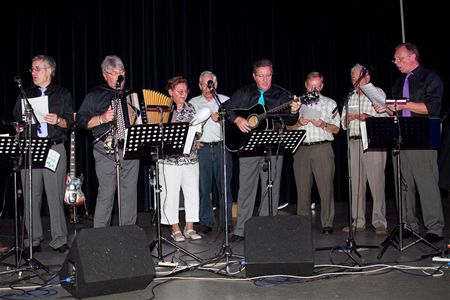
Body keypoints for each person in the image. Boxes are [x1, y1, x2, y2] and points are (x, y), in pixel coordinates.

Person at [225, 59, 300, 241]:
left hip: (272, 147)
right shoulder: (243, 93)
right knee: (246, 189)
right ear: (254, 76)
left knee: (271, 187)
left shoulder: (281, 95)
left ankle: (267, 226)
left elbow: (290, 121)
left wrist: (295, 111)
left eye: (268, 75)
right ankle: (241, 229)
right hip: (247, 147)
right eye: (261, 76)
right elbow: (225, 109)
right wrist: (238, 120)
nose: (265, 80)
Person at [13, 54, 73, 253]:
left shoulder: (62, 93)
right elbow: (16, 120)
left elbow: (70, 123)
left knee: (55, 194)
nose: (33, 72)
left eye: (37, 68)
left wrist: (58, 120)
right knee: (31, 193)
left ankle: (59, 239)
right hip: (30, 147)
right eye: (32, 69)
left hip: (53, 147)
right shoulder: (25, 94)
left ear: (49, 71)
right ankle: (33, 239)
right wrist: (19, 127)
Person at [387, 42, 445, 242]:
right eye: (395, 59)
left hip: (424, 134)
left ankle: (435, 228)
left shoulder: (429, 77)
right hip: (402, 135)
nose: (396, 62)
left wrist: (405, 104)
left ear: (412, 57)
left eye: (399, 58)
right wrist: (385, 108)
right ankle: (408, 225)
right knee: (403, 183)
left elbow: (432, 108)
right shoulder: (398, 82)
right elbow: (397, 109)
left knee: (426, 182)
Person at [77, 55, 140, 228]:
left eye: (122, 72)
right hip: (105, 150)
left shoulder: (131, 95)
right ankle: (100, 235)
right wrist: (102, 118)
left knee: (129, 194)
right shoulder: (96, 94)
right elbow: (81, 121)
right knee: (106, 193)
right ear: (105, 75)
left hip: (130, 148)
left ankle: (129, 232)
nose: (120, 76)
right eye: (114, 72)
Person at [286, 72, 340, 234]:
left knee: (326, 188)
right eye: (310, 86)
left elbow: (337, 129)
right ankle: (303, 223)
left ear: (321, 86)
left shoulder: (330, 103)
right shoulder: (297, 104)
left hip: (322, 148)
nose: (313, 89)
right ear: (306, 85)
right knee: (302, 190)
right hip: (301, 149)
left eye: (316, 86)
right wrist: (299, 122)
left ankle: (327, 223)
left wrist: (323, 124)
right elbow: (288, 127)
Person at [340, 64, 388, 235]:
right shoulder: (350, 96)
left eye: (358, 78)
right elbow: (342, 124)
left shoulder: (378, 93)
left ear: (367, 78)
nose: (355, 82)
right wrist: (348, 118)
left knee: (376, 183)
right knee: (356, 183)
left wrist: (368, 118)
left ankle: (379, 222)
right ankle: (358, 221)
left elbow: (388, 116)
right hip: (354, 141)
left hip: (374, 142)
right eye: (353, 79)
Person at [189, 71, 234, 234]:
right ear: (200, 86)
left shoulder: (225, 101)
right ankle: (206, 221)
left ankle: (226, 222)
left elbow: (234, 126)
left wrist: (222, 120)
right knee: (203, 187)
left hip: (222, 147)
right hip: (203, 149)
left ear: (215, 84)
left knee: (224, 187)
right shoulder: (193, 102)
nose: (208, 87)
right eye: (205, 84)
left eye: (211, 84)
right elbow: (188, 126)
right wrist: (194, 141)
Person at [158, 76, 202, 242]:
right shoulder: (163, 109)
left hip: (190, 158)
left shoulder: (191, 108)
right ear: (171, 92)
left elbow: (198, 135)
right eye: (180, 91)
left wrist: (200, 126)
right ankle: (174, 227)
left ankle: (189, 227)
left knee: (192, 192)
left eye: (186, 91)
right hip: (169, 159)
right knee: (171, 194)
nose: (184, 94)